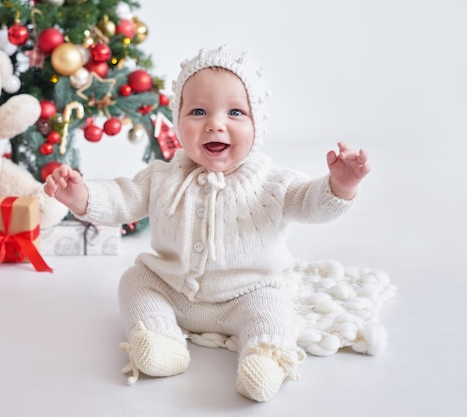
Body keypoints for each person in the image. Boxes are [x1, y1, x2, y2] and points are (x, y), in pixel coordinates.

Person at [44, 45, 370, 402]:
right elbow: (124, 197)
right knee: (135, 280)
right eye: (198, 111)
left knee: (275, 307)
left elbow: (310, 203)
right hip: (173, 289)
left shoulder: (271, 182)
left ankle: (266, 356)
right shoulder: (164, 176)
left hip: (247, 294)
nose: (215, 123)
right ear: (178, 120)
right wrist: (83, 197)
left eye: (235, 112)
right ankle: (161, 338)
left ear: (257, 125)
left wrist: (340, 185)